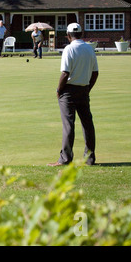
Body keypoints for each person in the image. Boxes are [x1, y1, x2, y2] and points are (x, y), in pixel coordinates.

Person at [48, 23, 99, 167]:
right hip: (83, 89)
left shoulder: (69, 49)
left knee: (68, 124)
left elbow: (65, 73)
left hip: (68, 91)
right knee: (87, 124)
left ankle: (65, 159)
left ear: (68, 35)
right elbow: (95, 73)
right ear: (81, 34)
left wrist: (59, 90)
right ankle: (89, 159)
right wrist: (88, 88)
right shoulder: (89, 49)